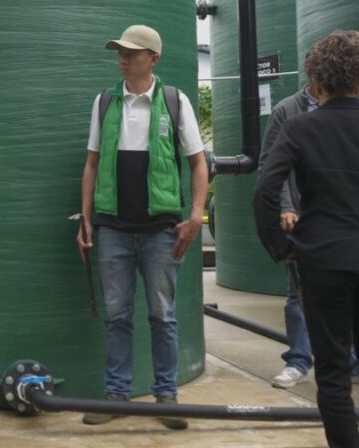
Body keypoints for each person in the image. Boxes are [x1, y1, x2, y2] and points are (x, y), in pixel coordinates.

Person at [76, 24, 207, 430]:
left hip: (161, 231)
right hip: (113, 228)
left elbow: (199, 162)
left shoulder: (174, 101)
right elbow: (92, 164)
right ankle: (117, 396)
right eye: (120, 51)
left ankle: (166, 398)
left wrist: (196, 217)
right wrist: (86, 219)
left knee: (162, 315)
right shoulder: (104, 103)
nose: (122, 58)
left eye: (131, 53)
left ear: (153, 59)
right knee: (117, 316)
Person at [254, 30, 359, 448]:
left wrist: (282, 249)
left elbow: (265, 190)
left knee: (332, 373)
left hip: (323, 260)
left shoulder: (299, 128)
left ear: (316, 81)